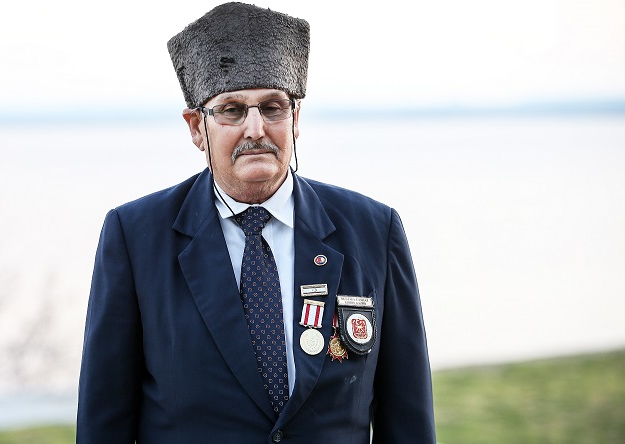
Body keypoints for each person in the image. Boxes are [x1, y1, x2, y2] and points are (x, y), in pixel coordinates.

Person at [77, 2, 435, 443]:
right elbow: (103, 424)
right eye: (231, 110)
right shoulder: (134, 238)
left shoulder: (374, 231)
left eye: (272, 107)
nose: (255, 129)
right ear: (196, 128)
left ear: (296, 119)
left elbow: (409, 422)